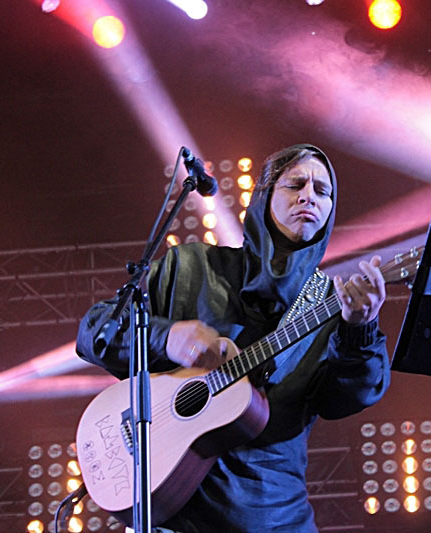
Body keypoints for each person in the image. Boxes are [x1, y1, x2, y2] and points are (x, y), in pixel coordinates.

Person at [76, 144, 391, 532]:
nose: (309, 196)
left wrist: (360, 329)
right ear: (263, 196)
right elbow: (94, 332)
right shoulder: (190, 267)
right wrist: (166, 337)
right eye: (295, 184)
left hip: (272, 517)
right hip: (173, 515)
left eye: (323, 191)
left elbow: (349, 398)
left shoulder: (332, 302)